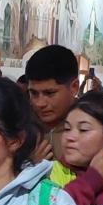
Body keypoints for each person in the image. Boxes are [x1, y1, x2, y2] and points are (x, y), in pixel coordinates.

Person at [24, 45, 81, 187]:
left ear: (74, 87)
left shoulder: (98, 125)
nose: (39, 103)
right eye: (33, 93)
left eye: (49, 93)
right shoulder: (20, 126)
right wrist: (29, 167)